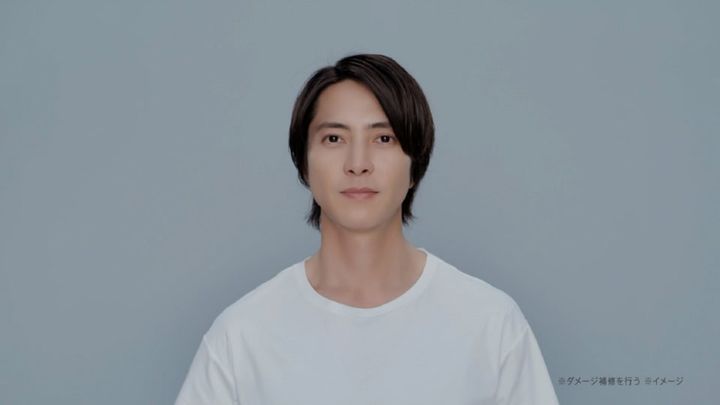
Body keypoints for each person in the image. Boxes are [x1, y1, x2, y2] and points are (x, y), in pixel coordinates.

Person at [174, 53, 560, 405]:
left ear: (415, 163)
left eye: (384, 138)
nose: (358, 163)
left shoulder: (490, 324)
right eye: (334, 138)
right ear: (304, 164)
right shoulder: (242, 336)